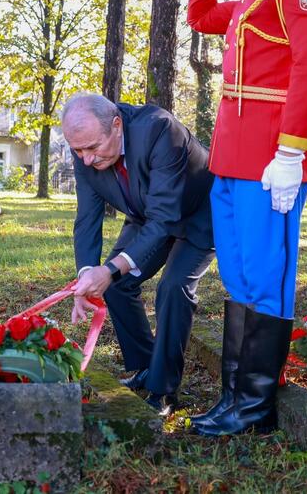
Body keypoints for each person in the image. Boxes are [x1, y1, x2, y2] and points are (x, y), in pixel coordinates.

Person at [185, 0, 307, 435]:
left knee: (264, 277)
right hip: (233, 155)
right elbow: (203, 19)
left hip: (271, 156)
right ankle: (234, 397)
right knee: (238, 274)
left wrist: (291, 150)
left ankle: (255, 407)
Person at [64, 93, 215, 415]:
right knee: (116, 284)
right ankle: (148, 367)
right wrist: (86, 276)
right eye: (78, 151)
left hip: (199, 215)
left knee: (174, 287)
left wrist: (110, 269)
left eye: (93, 148)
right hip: (148, 217)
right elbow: (87, 219)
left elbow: (165, 219)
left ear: (116, 125)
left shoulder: (159, 129)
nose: (86, 159)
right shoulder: (85, 153)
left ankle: (165, 390)